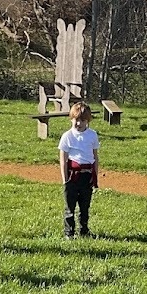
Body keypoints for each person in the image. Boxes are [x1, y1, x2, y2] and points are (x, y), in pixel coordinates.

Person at [58, 102, 100, 238]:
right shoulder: (67, 136)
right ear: (71, 119)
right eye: (76, 120)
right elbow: (63, 159)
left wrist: (95, 177)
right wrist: (65, 180)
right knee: (70, 207)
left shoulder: (92, 135)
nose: (79, 123)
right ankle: (69, 233)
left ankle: (84, 231)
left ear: (88, 121)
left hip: (87, 176)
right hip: (72, 176)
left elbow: (95, 157)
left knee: (85, 206)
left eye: (82, 120)